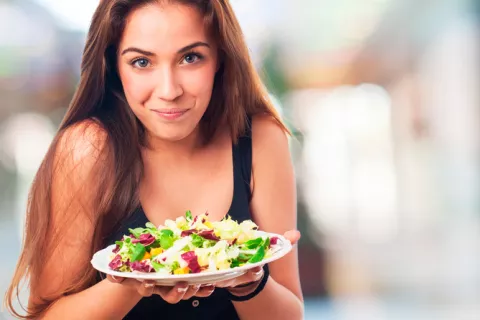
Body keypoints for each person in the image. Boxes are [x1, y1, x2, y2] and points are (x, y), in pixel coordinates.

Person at [4, 0, 303, 319]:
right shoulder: (88, 148)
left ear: (220, 58)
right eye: (142, 62)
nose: (169, 90)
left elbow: (289, 314)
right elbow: (46, 316)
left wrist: (250, 283)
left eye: (190, 58)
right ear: (114, 67)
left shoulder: (260, 138)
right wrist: (134, 281)